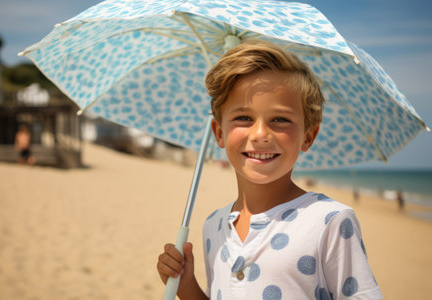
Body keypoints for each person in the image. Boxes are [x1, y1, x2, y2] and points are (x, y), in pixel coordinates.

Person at [157, 40, 383, 299]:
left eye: (280, 119)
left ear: (308, 136)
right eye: (243, 118)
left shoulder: (330, 221)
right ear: (219, 133)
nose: (261, 134)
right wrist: (186, 287)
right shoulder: (213, 225)